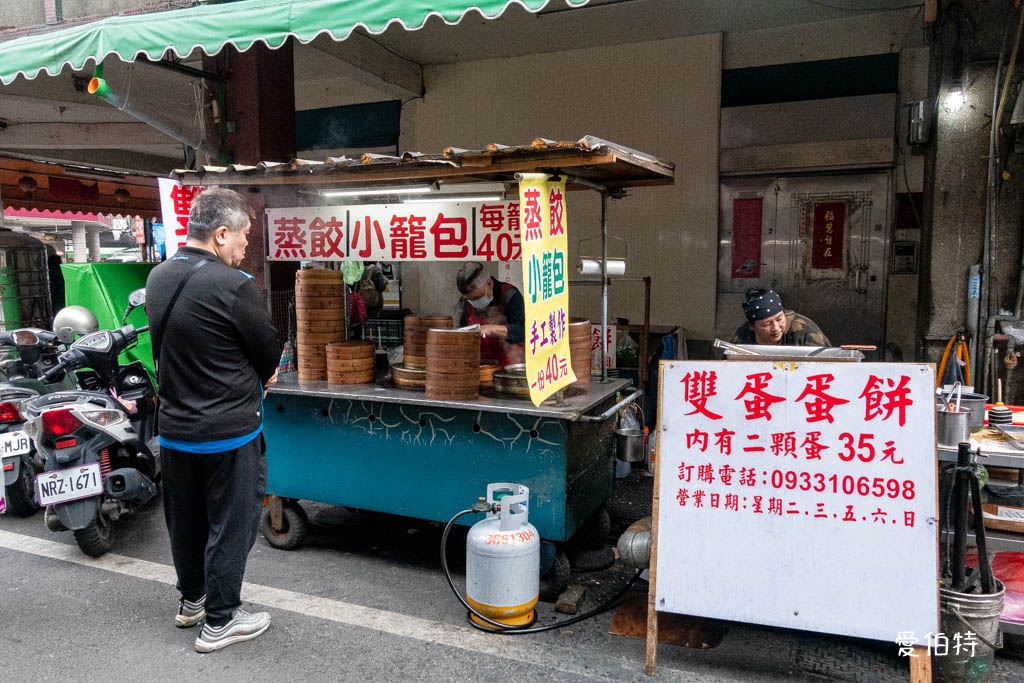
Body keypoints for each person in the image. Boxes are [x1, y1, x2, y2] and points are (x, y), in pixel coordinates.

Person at [145, 188, 282, 653]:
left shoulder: (158, 277)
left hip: (176, 431)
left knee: (186, 521)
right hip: (228, 432)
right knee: (232, 523)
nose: (245, 245)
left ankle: (192, 602)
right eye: (243, 235)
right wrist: (265, 371)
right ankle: (221, 621)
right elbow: (268, 353)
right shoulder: (234, 286)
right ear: (221, 234)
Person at [452, 262, 525, 367]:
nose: (473, 302)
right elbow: (457, 331)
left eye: (476, 298)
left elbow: (522, 331)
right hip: (478, 368)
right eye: (470, 299)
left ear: (489, 283)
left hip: (509, 367)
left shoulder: (510, 295)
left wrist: (492, 329)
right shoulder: (463, 303)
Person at [732, 288, 830, 347]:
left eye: (779, 319)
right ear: (752, 326)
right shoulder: (741, 337)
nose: (776, 328)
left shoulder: (803, 331)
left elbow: (827, 365)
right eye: (767, 324)